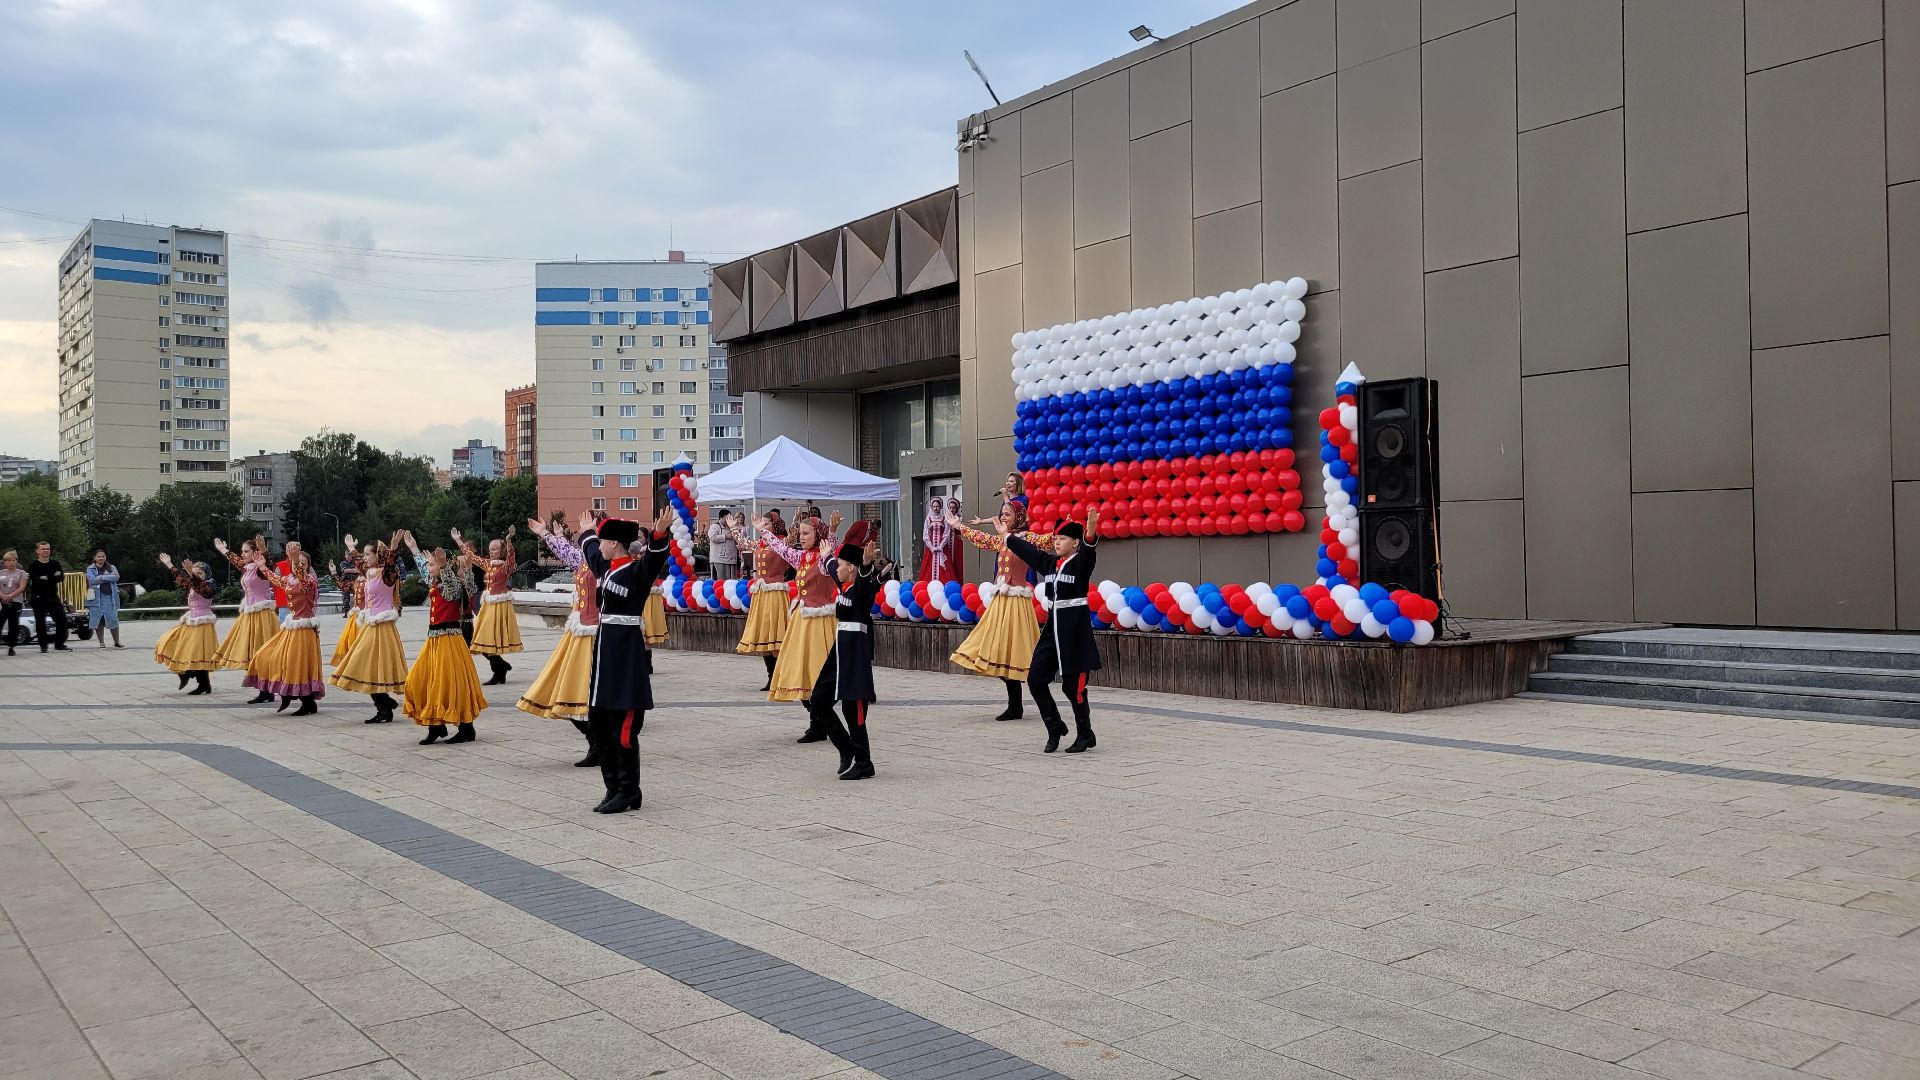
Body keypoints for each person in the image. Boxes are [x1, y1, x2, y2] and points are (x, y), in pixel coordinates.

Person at [579, 508, 676, 814]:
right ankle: (612, 788)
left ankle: (629, 790)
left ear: (616, 544)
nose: (600, 545)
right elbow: (590, 551)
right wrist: (586, 532)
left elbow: (655, 558)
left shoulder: (636, 572)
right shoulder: (605, 568)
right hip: (605, 656)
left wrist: (660, 533)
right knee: (598, 723)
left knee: (623, 730)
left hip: (626, 657)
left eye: (603, 539)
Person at [1004, 509, 1102, 754]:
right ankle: (1055, 726)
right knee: (1035, 679)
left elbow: (1089, 551)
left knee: (1073, 687)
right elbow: (1029, 552)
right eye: (1055, 538)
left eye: (1063, 539)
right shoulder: (1049, 563)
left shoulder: (1080, 564)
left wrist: (1090, 531)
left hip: (1073, 636)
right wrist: (1007, 536)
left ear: (1075, 543)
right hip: (1051, 632)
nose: (1057, 542)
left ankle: (1085, 733)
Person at [947, 504, 1053, 721]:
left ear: (1019, 517)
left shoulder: (1027, 539)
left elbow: (1048, 540)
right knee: (997, 648)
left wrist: (1073, 530)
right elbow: (981, 539)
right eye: (1001, 513)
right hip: (1001, 600)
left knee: (1014, 649)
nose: (1002, 517)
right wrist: (958, 526)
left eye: (1007, 514)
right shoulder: (1000, 540)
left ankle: (1019, 705)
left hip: (1017, 602)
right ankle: (1014, 705)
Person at [805, 522, 891, 780]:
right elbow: (833, 568)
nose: (837, 569)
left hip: (854, 655)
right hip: (838, 653)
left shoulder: (862, 589)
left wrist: (865, 567)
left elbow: (864, 583)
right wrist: (827, 556)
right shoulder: (843, 581)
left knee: (853, 710)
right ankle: (846, 748)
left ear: (851, 568)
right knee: (818, 701)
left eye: (842, 565)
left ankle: (865, 763)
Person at [518, 512, 601, 766]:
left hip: (596, 633)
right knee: (569, 689)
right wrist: (546, 534)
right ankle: (595, 744)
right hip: (578, 632)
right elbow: (567, 552)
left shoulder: (608, 565)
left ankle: (601, 744)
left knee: (586, 693)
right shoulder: (584, 561)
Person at [401, 532, 487, 745]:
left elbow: (450, 592)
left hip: (450, 640)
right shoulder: (434, 582)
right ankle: (436, 725)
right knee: (419, 681)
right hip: (434, 640)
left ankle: (466, 728)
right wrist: (413, 548)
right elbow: (424, 569)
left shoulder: (454, 586)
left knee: (449, 684)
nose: (429, 567)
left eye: (432, 564)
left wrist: (445, 566)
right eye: (430, 564)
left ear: (443, 565)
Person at [762, 512, 841, 737]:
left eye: (807, 533)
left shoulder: (823, 559)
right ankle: (815, 721)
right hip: (801, 620)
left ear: (818, 536)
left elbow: (831, 553)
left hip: (819, 621)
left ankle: (820, 722)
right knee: (800, 669)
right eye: (800, 533)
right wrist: (763, 530)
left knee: (817, 670)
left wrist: (833, 532)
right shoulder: (801, 557)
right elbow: (780, 547)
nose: (802, 537)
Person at [329, 535, 408, 724]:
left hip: (382, 626)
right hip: (370, 624)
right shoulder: (369, 571)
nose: (364, 558)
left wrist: (393, 548)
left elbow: (389, 564)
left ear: (377, 555)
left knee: (372, 665)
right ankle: (385, 704)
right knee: (367, 665)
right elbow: (358, 564)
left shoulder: (388, 574)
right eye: (363, 555)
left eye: (367, 554)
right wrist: (351, 548)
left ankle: (384, 706)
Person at [244, 548, 325, 715]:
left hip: (304, 630)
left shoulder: (309, 580)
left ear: (308, 566)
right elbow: (275, 579)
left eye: (302, 563)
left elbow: (302, 576)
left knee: (298, 665)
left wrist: (295, 560)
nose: (298, 566)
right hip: (292, 627)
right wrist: (262, 566)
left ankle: (307, 702)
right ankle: (292, 696)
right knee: (266, 654)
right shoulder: (290, 579)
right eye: (296, 563)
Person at [215, 536, 283, 696]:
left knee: (262, 651)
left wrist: (264, 550)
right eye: (242, 551)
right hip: (250, 614)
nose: (243, 554)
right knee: (251, 651)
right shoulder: (248, 568)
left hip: (262, 615)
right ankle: (263, 691)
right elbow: (236, 561)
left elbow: (269, 566)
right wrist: (223, 550)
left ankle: (267, 691)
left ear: (255, 553)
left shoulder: (260, 569)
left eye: (246, 551)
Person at [729, 515, 790, 691]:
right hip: (762, 592)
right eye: (761, 522)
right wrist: (734, 527)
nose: (762, 525)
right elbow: (742, 542)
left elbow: (793, 536)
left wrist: (794, 522)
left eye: (767, 523)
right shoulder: (760, 544)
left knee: (776, 637)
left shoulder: (781, 542)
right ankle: (771, 677)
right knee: (764, 635)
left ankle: (780, 677)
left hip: (776, 591)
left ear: (775, 526)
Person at [454, 527, 521, 685]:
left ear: (501, 551)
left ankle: (500, 668)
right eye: (490, 549)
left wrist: (509, 540)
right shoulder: (488, 564)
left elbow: (511, 555)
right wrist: (458, 540)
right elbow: (471, 556)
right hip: (488, 605)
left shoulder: (506, 566)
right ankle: (500, 668)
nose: (491, 552)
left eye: (495, 549)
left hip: (499, 605)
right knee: (480, 639)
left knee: (483, 638)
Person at [152, 553, 219, 694]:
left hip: (202, 622)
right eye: (195, 573)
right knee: (166, 642)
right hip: (190, 620)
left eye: (200, 573)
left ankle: (203, 684)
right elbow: (181, 580)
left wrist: (190, 573)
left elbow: (205, 593)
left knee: (197, 654)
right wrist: (169, 564)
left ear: (206, 573)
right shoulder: (193, 583)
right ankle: (185, 673)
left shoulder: (210, 584)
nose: (197, 575)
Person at [328, 535, 364, 671]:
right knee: (349, 643)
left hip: (368, 617)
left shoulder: (374, 577)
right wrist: (334, 573)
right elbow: (343, 586)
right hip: (356, 618)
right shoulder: (358, 580)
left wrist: (352, 548)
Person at [26, 541, 68, 652]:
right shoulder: (33, 565)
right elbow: (36, 580)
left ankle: (59, 644)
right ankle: (43, 646)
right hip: (38, 597)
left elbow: (61, 578)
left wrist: (46, 578)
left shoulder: (55, 564)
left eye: (48, 549)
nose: (46, 551)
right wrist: (52, 577)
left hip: (53, 596)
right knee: (40, 622)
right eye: (43, 549)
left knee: (62, 619)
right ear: (38, 551)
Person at [917, 495, 963, 583]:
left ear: (940, 507)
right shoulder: (928, 519)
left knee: (945, 569)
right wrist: (931, 547)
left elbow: (946, 533)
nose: (935, 508)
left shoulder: (944, 519)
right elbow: (925, 535)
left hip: (942, 547)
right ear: (931, 507)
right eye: (934, 506)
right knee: (928, 568)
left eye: (937, 506)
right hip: (931, 548)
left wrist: (941, 546)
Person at [84, 549, 123, 649]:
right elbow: (92, 581)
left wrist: (101, 577)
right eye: (99, 556)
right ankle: (101, 642)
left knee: (113, 619)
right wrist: (106, 577)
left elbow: (116, 577)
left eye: (103, 556)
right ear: (95, 558)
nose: (101, 558)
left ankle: (117, 642)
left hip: (109, 597)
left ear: (105, 557)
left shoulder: (112, 567)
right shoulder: (90, 568)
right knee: (98, 620)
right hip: (96, 598)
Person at [0, 550, 25, 656]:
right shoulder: (1, 573)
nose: (11, 563)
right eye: (8, 561)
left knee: (13, 624)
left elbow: (22, 587)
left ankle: (11, 646)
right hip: (3, 601)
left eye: (13, 560)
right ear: (4, 562)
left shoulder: (21, 573)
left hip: (15, 602)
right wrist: (2, 596)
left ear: (16, 561)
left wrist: (10, 596)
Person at [272, 540, 302, 620]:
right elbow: (276, 583)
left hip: (302, 605)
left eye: (294, 549)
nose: (291, 551)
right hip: (285, 604)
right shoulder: (279, 566)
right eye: (289, 549)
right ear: (286, 551)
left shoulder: (305, 565)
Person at [708, 510, 740, 581]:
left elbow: (739, 539)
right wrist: (725, 536)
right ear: (720, 517)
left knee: (731, 581)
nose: (728, 520)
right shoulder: (715, 526)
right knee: (720, 581)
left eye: (730, 518)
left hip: (731, 558)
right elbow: (713, 537)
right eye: (726, 518)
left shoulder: (731, 527)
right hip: (719, 559)